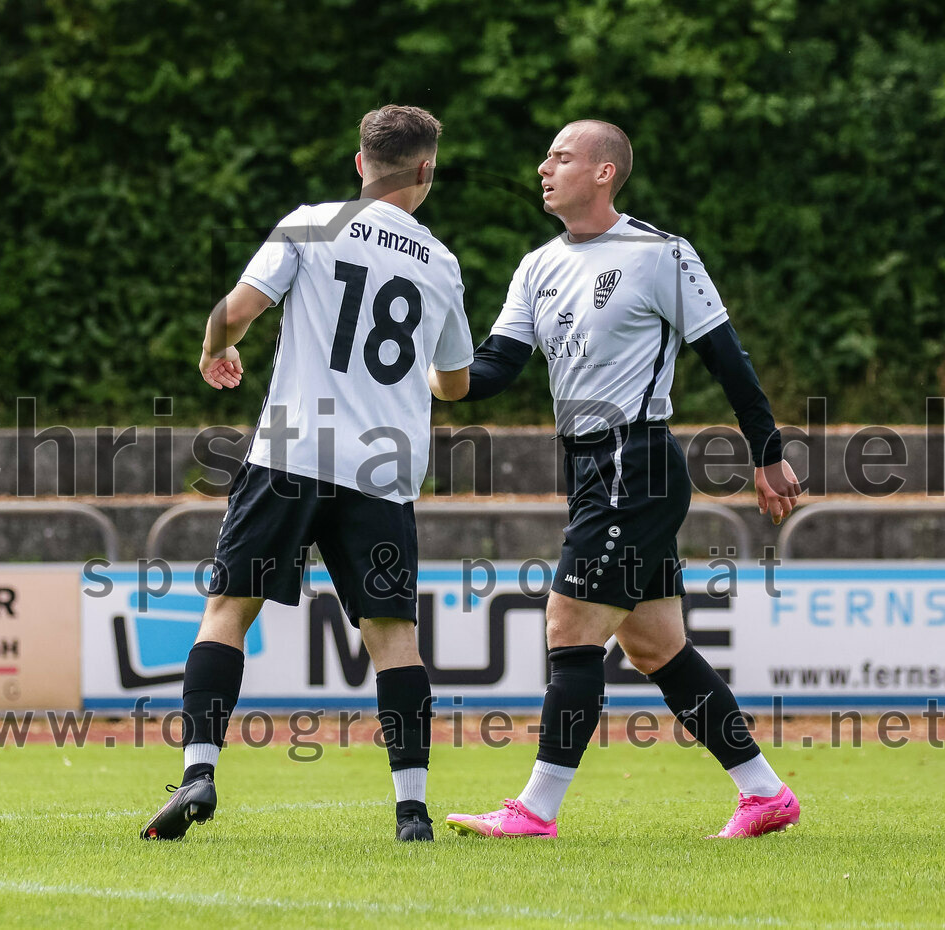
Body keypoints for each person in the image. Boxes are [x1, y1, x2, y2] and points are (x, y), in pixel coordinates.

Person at [442, 120, 802, 839]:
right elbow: (496, 368)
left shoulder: (659, 254)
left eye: (562, 156)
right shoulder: (536, 266)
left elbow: (728, 358)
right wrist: (432, 377)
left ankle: (536, 811)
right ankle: (765, 794)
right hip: (586, 466)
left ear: (604, 173)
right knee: (654, 645)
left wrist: (766, 452)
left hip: (631, 463)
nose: (544, 166)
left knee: (569, 624)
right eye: (545, 155)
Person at [141, 105, 473, 843]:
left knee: (229, 610)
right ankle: (411, 810)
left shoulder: (312, 223)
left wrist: (211, 350)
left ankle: (199, 772)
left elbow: (239, 310)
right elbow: (454, 384)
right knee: (394, 638)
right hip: (383, 470)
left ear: (361, 164)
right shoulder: (441, 264)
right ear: (425, 172)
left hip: (291, 452)